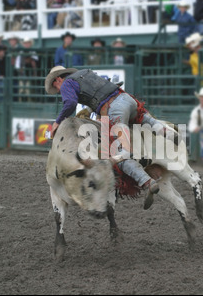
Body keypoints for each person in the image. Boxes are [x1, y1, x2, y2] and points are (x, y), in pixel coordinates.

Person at [45, 66, 165, 207]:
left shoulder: (66, 84)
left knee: (117, 153)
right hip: (127, 99)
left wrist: (57, 122)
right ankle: (166, 132)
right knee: (141, 116)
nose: (59, 91)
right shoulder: (87, 75)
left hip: (114, 109)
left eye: (56, 87)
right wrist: (90, 109)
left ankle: (147, 181)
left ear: (57, 79)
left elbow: (70, 103)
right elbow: (103, 90)